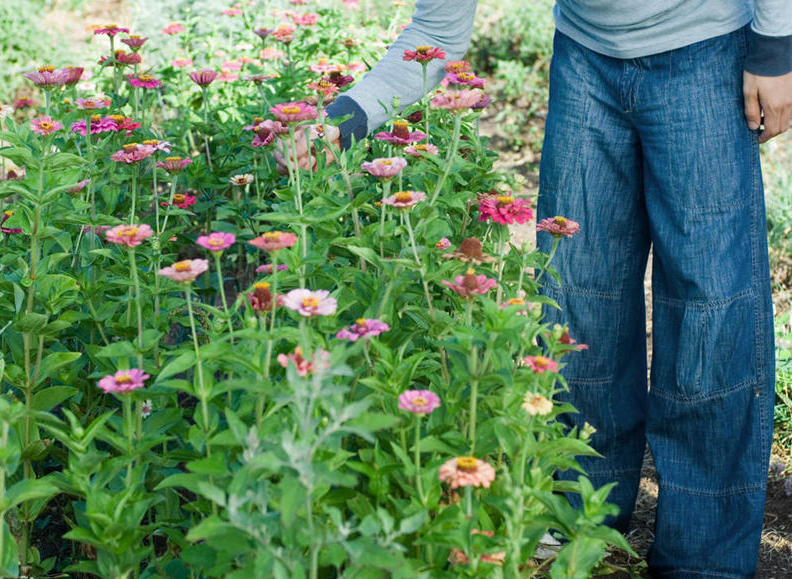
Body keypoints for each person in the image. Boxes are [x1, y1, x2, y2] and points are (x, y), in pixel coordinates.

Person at [276, 1, 792, 576]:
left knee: (710, 304)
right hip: (586, 60)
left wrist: (776, 46)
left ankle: (704, 557)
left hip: (706, 53)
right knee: (576, 296)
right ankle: (583, 524)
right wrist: (341, 119)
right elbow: (436, 32)